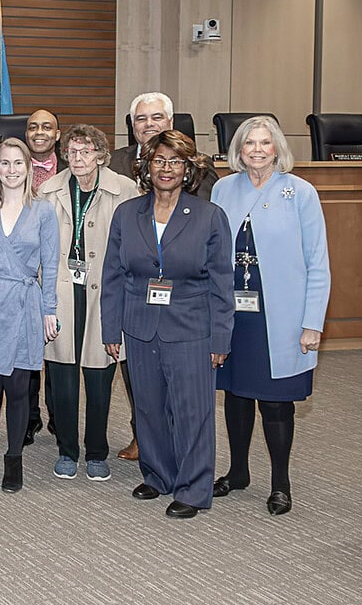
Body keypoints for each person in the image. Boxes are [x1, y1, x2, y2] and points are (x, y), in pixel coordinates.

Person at [101, 129, 234, 519]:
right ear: (147, 166)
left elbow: (222, 282)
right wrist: (112, 329)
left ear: (187, 168)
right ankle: (158, 475)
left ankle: (193, 488)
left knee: (193, 411)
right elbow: (113, 275)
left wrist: (220, 338)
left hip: (192, 327)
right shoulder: (128, 213)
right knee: (149, 407)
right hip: (140, 325)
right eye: (159, 160)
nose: (166, 168)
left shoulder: (210, 216)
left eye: (175, 161)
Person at [210, 116, 330, 516]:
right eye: (249, 144)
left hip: (281, 315)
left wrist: (313, 322)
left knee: (277, 402)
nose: (257, 150)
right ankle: (238, 471)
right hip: (235, 313)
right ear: (238, 151)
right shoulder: (223, 188)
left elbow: (318, 262)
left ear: (277, 148)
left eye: (265, 143)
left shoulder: (301, 192)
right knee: (236, 395)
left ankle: (281, 483)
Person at [110, 92, 219, 461]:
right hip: (139, 305)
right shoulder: (116, 166)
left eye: (157, 117)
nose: (149, 124)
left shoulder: (200, 183)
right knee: (146, 394)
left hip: (186, 310)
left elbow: (213, 258)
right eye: (141, 119)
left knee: (188, 402)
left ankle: (187, 476)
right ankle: (151, 458)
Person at [38, 125, 139, 484]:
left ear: (101, 154)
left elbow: (135, 246)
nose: (78, 158)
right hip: (61, 291)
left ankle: (96, 451)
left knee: (99, 377)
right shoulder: (47, 190)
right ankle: (67, 450)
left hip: (106, 292)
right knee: (62, 376)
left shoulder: (125, 191)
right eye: (72, 151)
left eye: (86, 151)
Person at [0, 137, 59, 492]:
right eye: (5, 163)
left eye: (19, 163)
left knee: (19, 387)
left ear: (29, 168)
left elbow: (50, 264)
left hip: (24, 303)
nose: (12, 170)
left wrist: (49, 309)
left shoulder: (44, 211)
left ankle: (14, 458)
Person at [23, 109, 67, 444]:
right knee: (24, 348)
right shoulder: (10, 168)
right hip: (21, 271)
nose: (39, 132)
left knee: (57, 346)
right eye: (33, 126)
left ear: (57, 134)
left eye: (46, 127)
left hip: (59, 269)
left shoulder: (72, 170)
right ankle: (28, 416)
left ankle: (59, 414)